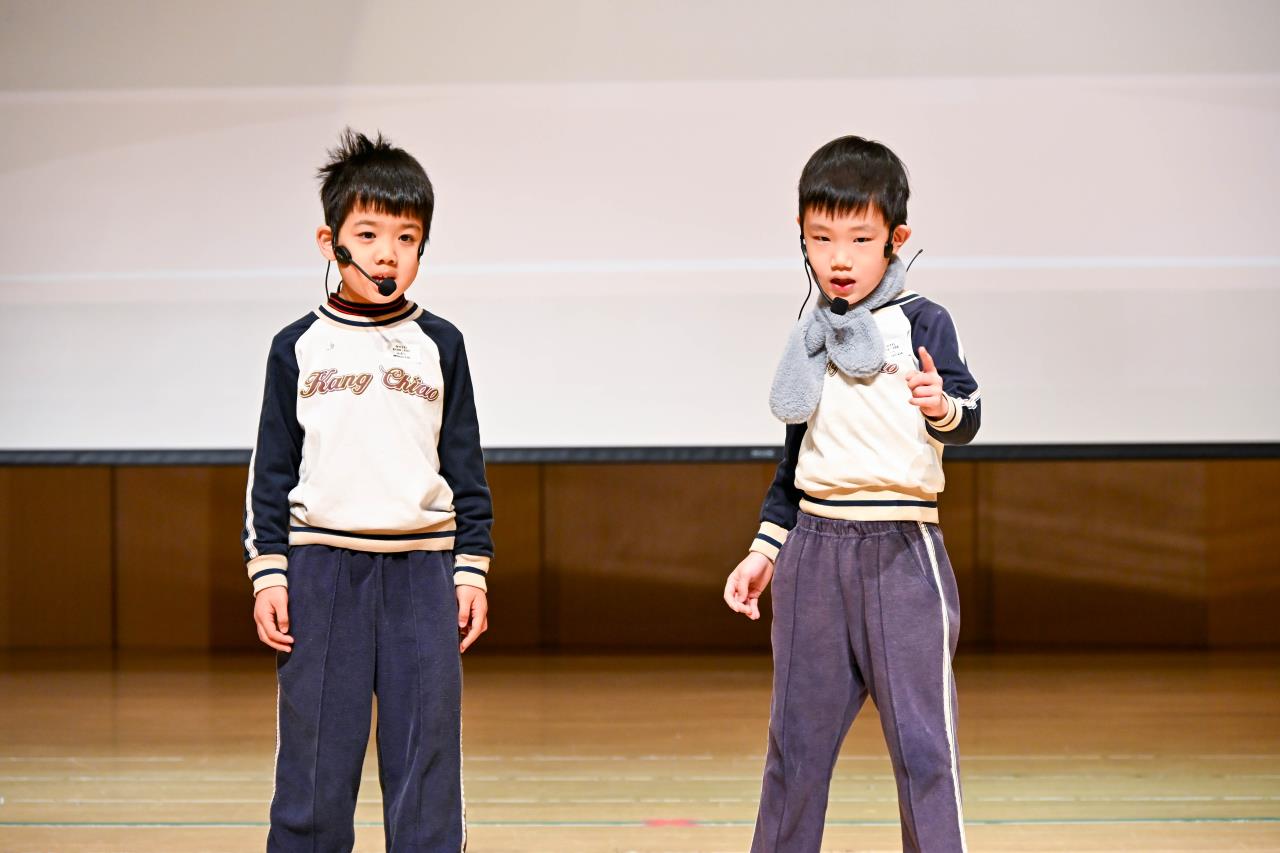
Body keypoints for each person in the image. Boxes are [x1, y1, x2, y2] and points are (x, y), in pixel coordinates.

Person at [724, 135, 981, 853]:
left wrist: (939, 404)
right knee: (794, 751)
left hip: (902, 551)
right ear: (801, 236)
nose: (839, 258)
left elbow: (968, 413)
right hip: (812, 550)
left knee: (925, 748)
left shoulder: (925, 320)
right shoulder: (807, 332)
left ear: (896, 239)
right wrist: (764, 550)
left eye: (860, 239)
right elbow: (794, 461)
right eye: (821, 238)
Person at [242, 128, 493, 852]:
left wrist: (472, 569)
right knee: (316, 761)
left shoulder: (441, 343)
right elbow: (271, 472)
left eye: (407, 238)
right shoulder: (296, 345)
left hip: (424, 574)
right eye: (370, 234)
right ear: (331, 242)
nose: (388, 253)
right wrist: (269, 575)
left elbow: (466, 468)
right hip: (321, 574)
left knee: (426, 760)